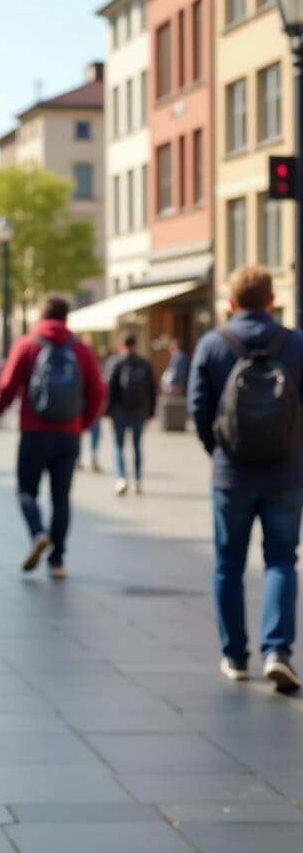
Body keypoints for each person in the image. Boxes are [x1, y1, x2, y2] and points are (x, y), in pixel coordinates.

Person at [188, 265, 303, 693]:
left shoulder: (214, 344)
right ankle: (278, 651)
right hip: (286, 473)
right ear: (271, 301)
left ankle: (235, 656)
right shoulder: (295, 344)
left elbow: (198, 409)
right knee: (281, 561)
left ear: (231, 303)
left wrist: (218, 451)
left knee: (229, 564)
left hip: (231, 475)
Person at [0, 294, 105, 579]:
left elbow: (8, 384)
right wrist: (82, 424)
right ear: (67, 318)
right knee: (61, 498)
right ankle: (57, 561)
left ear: (41, 318)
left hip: (34, 431)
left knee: (26, 490)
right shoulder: (81, 349)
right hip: (68, 434)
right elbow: (97, 392)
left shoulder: (28, 344)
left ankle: (37, 533)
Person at [106, 333, 156, 496]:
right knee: (137, 446)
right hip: (139, 412)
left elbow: (110, 390)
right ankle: (138, 479)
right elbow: (152, 390)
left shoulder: (116, 362)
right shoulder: (144, 363)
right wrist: (151, 413)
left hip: (120, 412)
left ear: (121, 344)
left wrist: (109, 413)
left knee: (119, 446)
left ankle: (121, 478)